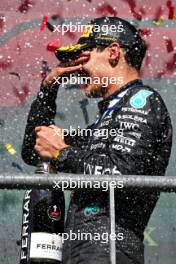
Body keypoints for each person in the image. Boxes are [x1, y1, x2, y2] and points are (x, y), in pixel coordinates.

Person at [21, 17, 172, 264]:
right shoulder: (105, 120)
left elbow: (121, 175)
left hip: (109, 252)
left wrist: (62, 153)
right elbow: (34, 149)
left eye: (85, 55)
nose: (78, 67)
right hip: (80, 252)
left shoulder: (143, 101)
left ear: (113, 52)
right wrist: (49, 87)